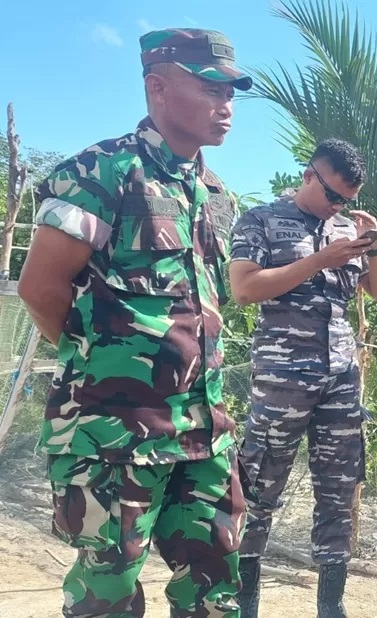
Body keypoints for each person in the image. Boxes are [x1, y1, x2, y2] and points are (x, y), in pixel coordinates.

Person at [16, 28, 251, 617]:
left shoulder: (217, 194)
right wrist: (99, 366)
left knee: (213, 589)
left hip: (203, 434)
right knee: (108, 592)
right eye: (211, 87)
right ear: (158, 87)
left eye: (233, 92)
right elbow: (41, 289)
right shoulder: (100, 173)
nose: (226, 104)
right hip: (113, 434)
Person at [228, 137, 377, 618]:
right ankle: (246, 602)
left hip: (340, 379)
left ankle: (331, 605)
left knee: (338, 491)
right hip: (281, 379)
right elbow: (243, 288)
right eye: (333, 195)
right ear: (308, 176)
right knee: (259, 488)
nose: (339, 206)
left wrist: (372, 244)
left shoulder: (344, 227)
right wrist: (318, 261)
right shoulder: (261, 220)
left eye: (348, 199)